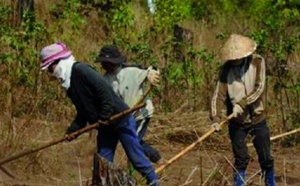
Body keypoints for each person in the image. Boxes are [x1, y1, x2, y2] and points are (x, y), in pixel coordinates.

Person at [40, 42, 160, 186]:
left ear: (58, 62)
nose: (50, 72)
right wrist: (73, 131)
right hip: (105, 127)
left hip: (120, 118)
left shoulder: (81, 70)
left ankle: (153, 181)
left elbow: (106, 94)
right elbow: (83, 112)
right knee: (103, 162)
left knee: (135, 156)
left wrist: (104, 117)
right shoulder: (70, 86)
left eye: (50, 68)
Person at [210, 34, 276, 186]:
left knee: (265, 157)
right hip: (237, 122)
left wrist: (242, 103)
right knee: (240, 159)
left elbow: (259, 88)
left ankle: (270, 183)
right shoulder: (226, 70)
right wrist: (215, 119)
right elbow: (217, 96)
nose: (235, 60)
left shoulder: (257, 61)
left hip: (257, 118)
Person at [94, 44, 162, 164]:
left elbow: (150, 70)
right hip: (124, 117)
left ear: (113, 62)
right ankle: (154, 156)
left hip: (140, 114)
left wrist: (152, 75)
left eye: (106, 62)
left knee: (133, 144)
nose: (103, 65)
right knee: (133, 141)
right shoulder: (105, 80)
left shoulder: (132, 71)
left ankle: (145, 167)